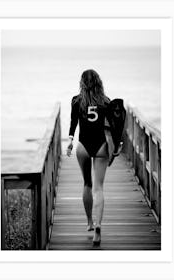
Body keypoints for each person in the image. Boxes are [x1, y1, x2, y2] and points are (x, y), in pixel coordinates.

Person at [66, 69, 110, 246]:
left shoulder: (76, 101)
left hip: (83, 146)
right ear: (98, 82)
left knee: (87, 184)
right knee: (99, 188)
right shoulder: (106, 102)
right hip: (101, 146)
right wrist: (117, 145)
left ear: (82, 83)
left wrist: (70, 141)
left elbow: (73, 123)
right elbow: (112, 126)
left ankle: (89, 223)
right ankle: (98, 226)